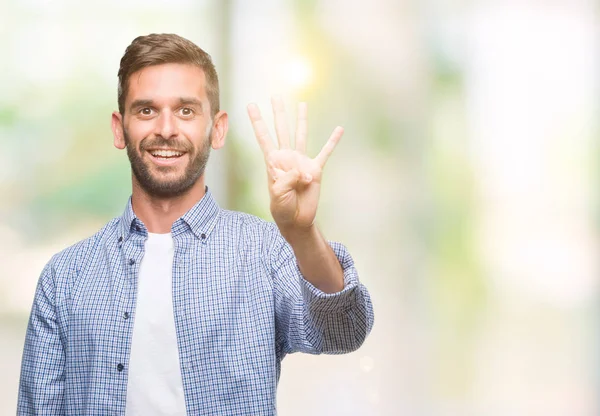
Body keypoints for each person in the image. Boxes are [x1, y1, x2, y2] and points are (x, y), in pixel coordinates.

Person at [17, 33, 374, 415]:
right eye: (147, 110)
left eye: (186, 110)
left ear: (217, 129)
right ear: (120, 129)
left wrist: (302, 234)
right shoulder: (66, 277)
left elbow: (344, 331)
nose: (167, 129)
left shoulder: (263, 251)